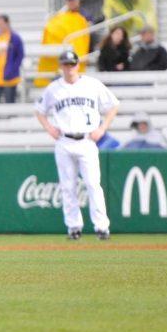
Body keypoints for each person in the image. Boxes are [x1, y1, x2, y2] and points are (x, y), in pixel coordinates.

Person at [34, 48, 119, 241]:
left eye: (72, 64)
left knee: (93, 184)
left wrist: (103, 128)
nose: (69, 68)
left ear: (78, 65)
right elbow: (39, 110)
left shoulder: (92, 84)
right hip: (64, 140)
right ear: (61, 66)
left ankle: (102, 227)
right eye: (66, 64)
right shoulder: (54, 88)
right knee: (67, 186)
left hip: (87, 139)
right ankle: (73, 227)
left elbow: (113, 104)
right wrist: (48, 127)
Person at [36, 0, 90, 86]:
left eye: (73, 1)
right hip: (63, 55)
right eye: (69, 1)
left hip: (75, 54)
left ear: (78, 2)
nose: (71, 3)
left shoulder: (84, 16)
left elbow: (84, 38)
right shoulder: (60, 17)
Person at [0, 14, 24, 103]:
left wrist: (12, 69)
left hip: (9, 78)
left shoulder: (15, 38)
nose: (0, 26)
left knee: (9, 103)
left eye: (1, 24)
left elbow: (20, 55)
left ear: (7, 23)